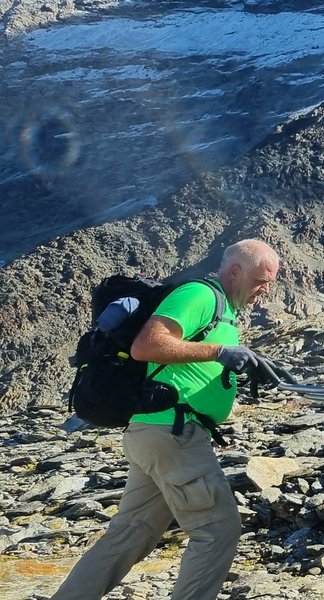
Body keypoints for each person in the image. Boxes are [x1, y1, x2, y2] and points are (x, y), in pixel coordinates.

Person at [53, 239, 281, 600]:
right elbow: (147, 345)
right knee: (217, 529)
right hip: (173, 432)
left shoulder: (224, 311)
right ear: (235, 271)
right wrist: (220, 351)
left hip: (157, 433)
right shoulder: (202, 296)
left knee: (131, 532)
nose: (265, 291)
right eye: (260, 281)